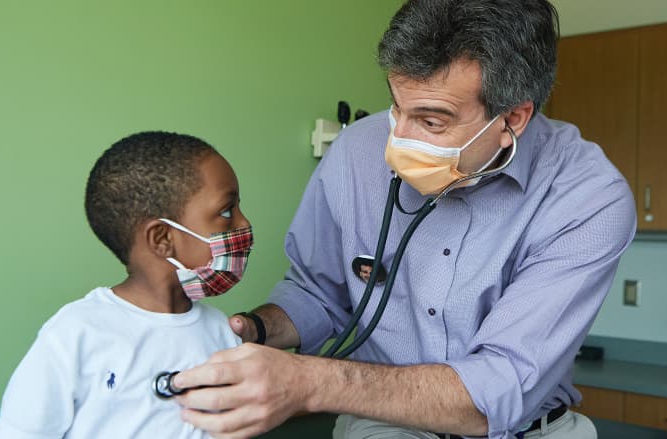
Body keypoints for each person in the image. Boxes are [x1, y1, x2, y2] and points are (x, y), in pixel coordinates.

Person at [170, 1, 636, 438]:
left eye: (432, 121)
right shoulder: (356, 152)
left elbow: (497, 389)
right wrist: (253, 329)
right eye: (397, 107)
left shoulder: (588, 198)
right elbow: (317, 293)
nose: (397, 142)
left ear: (513, 118)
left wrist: (309, 381)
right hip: (381, 427)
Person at [0, 132, 253, 439]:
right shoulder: (76, 334)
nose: (243, 223)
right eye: (226, 211)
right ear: (162, 239)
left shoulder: (221, 332)